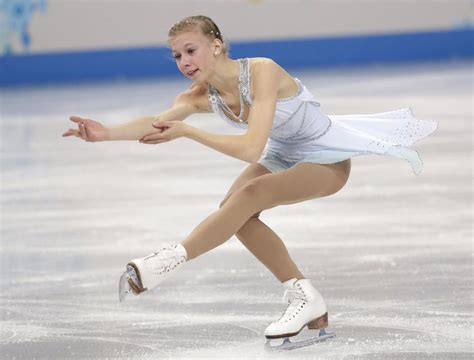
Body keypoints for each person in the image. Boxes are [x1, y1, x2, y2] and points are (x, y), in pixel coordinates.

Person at [62, 15, 437, 344]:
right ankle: (305, 297)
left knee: (250, 193)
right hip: (284, 155)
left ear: (217, 45)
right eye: (177, 55)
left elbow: (250, 148)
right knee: (234, 211)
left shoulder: (263, 71)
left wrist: (190, 133)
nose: (184, 62)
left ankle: (170, 260)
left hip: (327, 156)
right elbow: (157, 123)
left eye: (191, 50)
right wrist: (105, 133)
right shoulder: (197, 96)